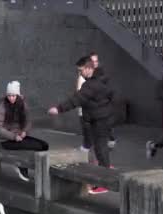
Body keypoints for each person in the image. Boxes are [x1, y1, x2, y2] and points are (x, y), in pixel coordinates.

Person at [48, 56, 114, 194]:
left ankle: (106, 182)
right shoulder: (101, 79)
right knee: (100, 148)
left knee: (100, 149)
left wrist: (59, 109)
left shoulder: (90, 85)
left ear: (89, 68)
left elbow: (77, 99)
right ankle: (105, 175)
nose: (80, 74)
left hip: (99, 119)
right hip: (102, 117)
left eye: (81, 70)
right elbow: (110, 95)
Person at [0, 81, 49, 181]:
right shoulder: (2, 106)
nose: (11, 98)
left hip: (19, 136)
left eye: (13, 96)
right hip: (7, 141)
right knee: (36, 147)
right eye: (9, 95)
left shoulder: (22, 104)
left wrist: (24, 131)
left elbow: (28, 121)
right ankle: (22, 168)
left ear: (18, 95)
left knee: (44, 145)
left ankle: (40, 173)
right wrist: (14, 136)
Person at [89, 52, 117, 149]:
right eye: (92, 61)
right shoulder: (88, 71)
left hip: (104, 100)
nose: (94, 63)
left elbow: (107, 83)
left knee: (106, 122)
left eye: (96, 61)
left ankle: (111, 139)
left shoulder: (101, 72)